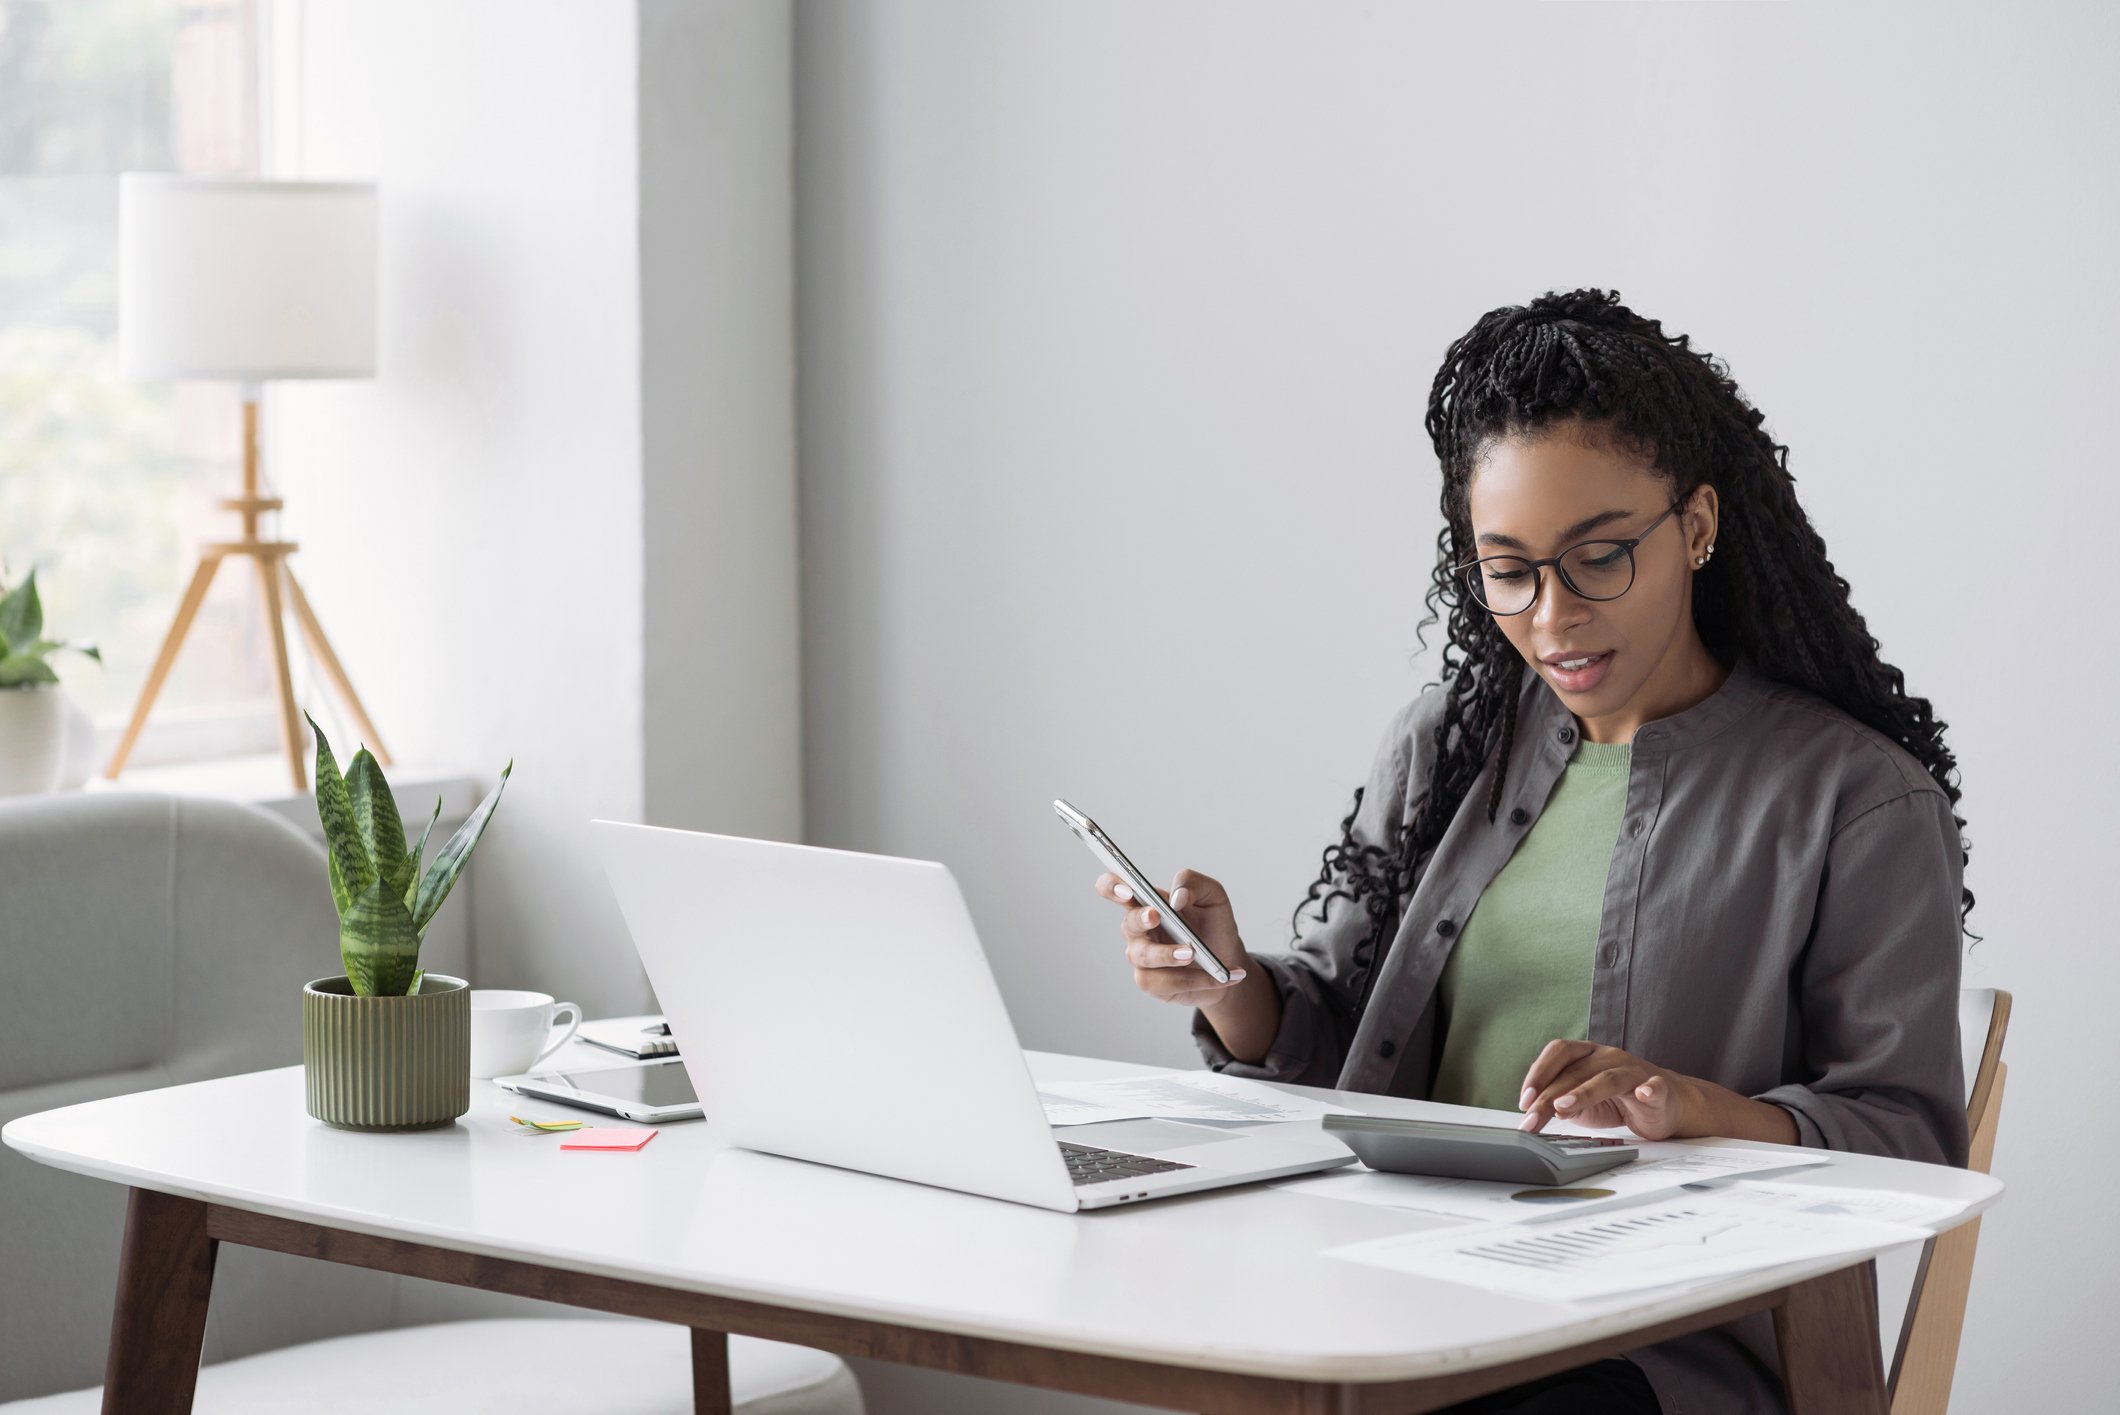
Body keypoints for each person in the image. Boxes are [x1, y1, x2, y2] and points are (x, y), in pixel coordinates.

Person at [1094, 288, 1973, 1415]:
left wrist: (1687, 1104)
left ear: (1695, 525)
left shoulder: (1852, 798)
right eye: (1506, 568)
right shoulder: (1448, 744)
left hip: (1656, 1351)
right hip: (1387, 1292)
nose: (1551, 615)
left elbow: (1904, 1141)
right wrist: (1231, 987)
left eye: (1598, 556)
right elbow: (1341, 1046)